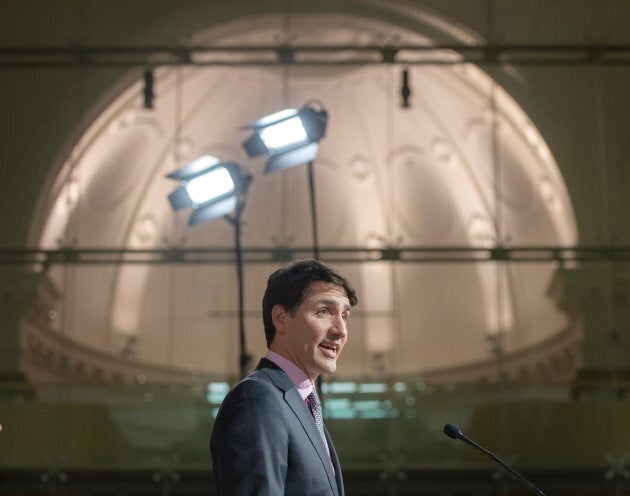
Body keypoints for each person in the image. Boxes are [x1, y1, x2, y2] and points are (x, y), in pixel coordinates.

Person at [210, 259, 358, 496]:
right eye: (323, 312)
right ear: (281, 318)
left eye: (345, 316)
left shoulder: (301, 403)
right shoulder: (257, 399)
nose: (340, 330)